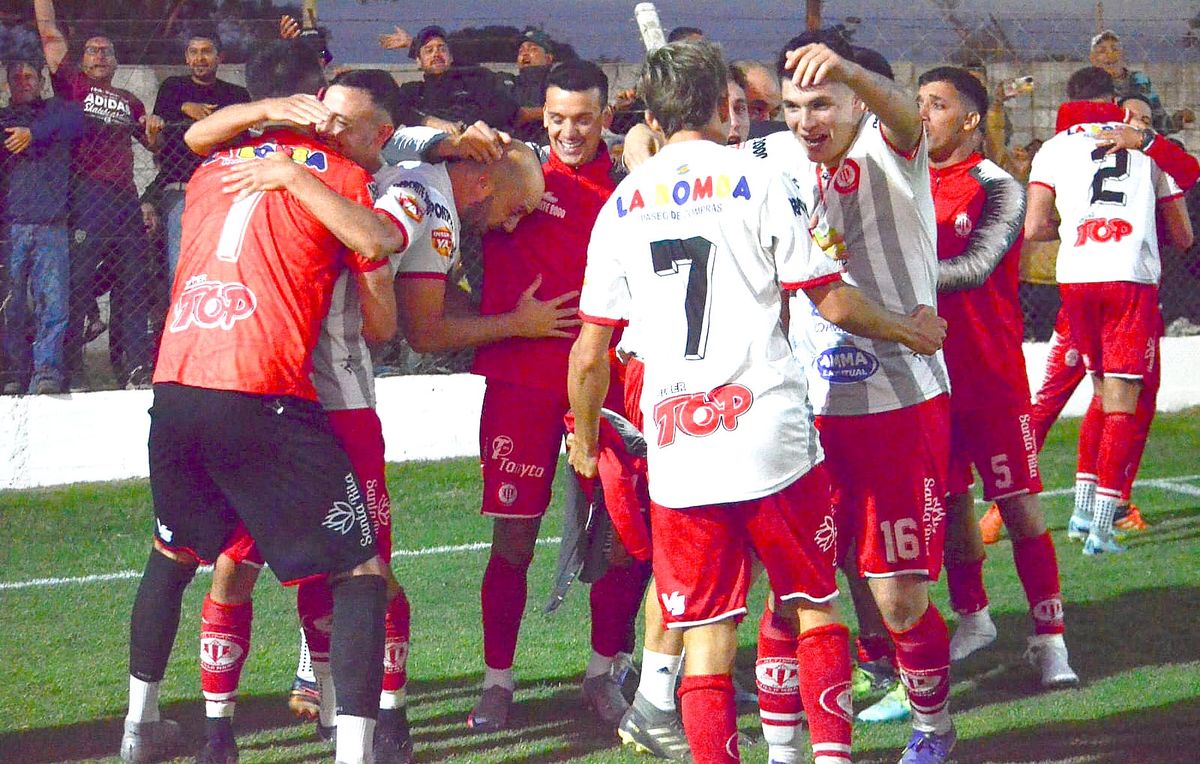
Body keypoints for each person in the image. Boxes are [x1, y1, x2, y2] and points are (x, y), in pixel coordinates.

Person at [569, 38, 946, 764]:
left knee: (709, 634)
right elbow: (830, 298)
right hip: (770, 429)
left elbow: (589, 353)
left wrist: (586, 441)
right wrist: (910, 329)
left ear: (652, 115)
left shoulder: (621, 204)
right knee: (812, 601)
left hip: (680, 441)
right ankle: (829, 756)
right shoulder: (758, 177)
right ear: (724, 106)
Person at [119, 39, 408, 764]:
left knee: (175, 552)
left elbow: (195, 136)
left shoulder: (212, 168)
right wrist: (301, 175)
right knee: (360, 571)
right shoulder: (339, 173)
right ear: (311, 101)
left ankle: (139, 728)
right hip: (262, 392)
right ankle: (354, 749)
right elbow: (376, 243)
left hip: (175, 383)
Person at [744, 29, 957, 762]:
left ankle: (933, 726)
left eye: (823, 103)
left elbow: (903, 111)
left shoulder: (890, 148)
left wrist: (853, 73)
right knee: (791, 593)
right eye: (795, 106)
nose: (808, 121)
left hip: (899, 404)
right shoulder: (771, 161)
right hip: (805, 412)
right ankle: (789, 748)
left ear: (854, 100)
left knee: (898, 596)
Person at [462, 60, 657, 733]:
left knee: (624, 537)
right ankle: (496, 681)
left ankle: (602, 673)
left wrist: (642, 144)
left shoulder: (633, 183)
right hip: (521, 383)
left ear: (607, 118)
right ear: (540, 119)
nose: (569, 132)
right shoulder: (515, 174)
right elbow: (432, 156)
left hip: (608, 384)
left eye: (582, 119)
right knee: (513, 539)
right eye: (556, 119)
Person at [916, 66, 1079, 688]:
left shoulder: (998, 186)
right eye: (919, 102)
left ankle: (1050, 638)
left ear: (970, 119)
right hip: (926, 377)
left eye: (937, 104)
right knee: (951, 501)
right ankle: (974, 616)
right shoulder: (907, 180)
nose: (923, 114)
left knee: (1019, 506)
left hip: (990, 376)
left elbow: (975, 267)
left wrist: (880, 279)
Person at [1025, 66, 1193, 555]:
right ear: (1116, 104)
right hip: (1128, 277)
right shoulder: (1147, 148)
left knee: (1088, 393)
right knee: (1123, 400)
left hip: (1075, 278)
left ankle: (1077, 512)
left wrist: (1080, 228)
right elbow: (1185, 223)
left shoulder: (1054, 147)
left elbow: (1034, 226)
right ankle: (1103, 526)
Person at [34, 0, 163, 388]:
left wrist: (153, 128)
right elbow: (49, 34)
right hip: (86, 193)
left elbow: (153, 146)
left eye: (107, 51)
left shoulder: (130, 100)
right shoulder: (74, 86)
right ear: (83, 59)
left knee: (134, 281)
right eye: (93, 50)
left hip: (125, 197)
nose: (100, 55)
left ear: (116, 61)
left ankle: (135, 366)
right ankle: (71, 368)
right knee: (78, 281)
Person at [0, 57, 83, 395]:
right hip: (10, 228)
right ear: (7, 84)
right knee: (11, 304)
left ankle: (47, 371)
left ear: (41, 81)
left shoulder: (58, 111)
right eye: (16, 77)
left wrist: (33, 134)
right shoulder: (3, 117)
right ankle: (13, 371)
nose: (23, 82)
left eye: (29, 76)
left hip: (52, 223)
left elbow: (76, 120)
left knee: (53, 303)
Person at [145, 27, 249, 281]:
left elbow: (243, 135)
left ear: (220, 57)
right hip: (182, 189)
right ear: (186, 57)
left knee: (225, 264)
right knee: (180, 264)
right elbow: (158, 132)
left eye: (206, 52)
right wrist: (184, 107)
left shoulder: (236, 94)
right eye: (193, 52)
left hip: (226, 190)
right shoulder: (173, 88)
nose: (199, 58)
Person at [395, 25, 519, 135]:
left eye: (442, 49)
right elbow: (396, 110)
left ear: (451, 58)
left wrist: (466, 125)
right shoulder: (412, 91)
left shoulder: (474, 84)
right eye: (429, 51)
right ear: (418, 61)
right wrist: (430, 121)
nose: (436, 54)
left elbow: (506, 107)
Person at [501, 29, 557, 144]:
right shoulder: (507, 82)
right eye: (521, 51)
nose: (525, 54)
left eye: (533, 49)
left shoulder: (558, 84)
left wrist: (529, 114)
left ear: (548, 58)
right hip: (511, 148)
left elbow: (571, 111)